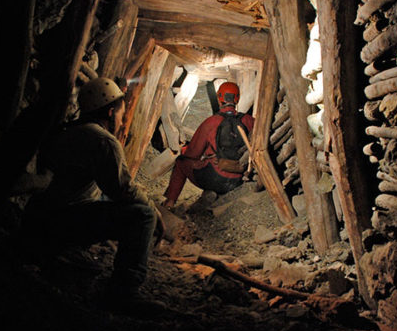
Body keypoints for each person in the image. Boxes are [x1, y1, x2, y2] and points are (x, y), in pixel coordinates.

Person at [21, 77, 165, 309]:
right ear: (110, 113)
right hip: (57, 223)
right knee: (143, 215)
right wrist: (153, 208)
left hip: (36, 218)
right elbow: (123, 190)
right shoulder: (102, 141)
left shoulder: (69, 130)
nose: (121, 120)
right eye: (120, 114)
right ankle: (123, 292)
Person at [163, 81, 255, 210]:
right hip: (239, 179)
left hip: (215, 177)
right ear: (237, 99)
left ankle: (169, 203)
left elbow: (193, 154)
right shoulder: (250, 121)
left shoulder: (211, 122)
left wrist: (184, 150)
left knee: (181, 162)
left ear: (219, 98)